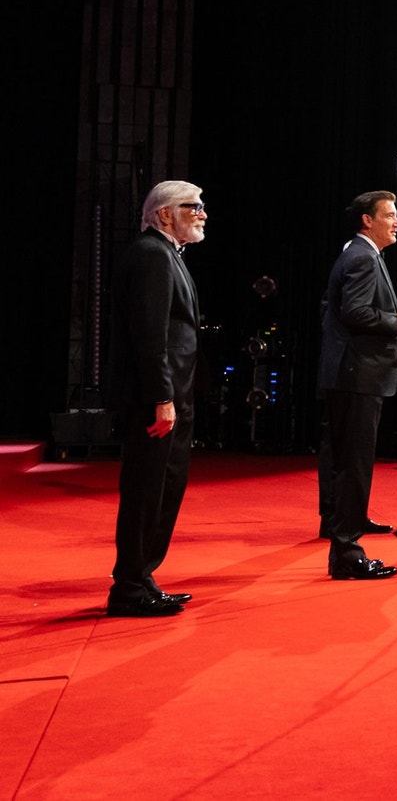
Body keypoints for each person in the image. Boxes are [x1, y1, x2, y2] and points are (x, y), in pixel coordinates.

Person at [105, 181, 209, 616]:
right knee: (149, 490)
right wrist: (162, 398)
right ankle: (130, 586)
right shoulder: (152, 256)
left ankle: (141, 577)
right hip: (158, 400)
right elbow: (150, 337)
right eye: (194, 206)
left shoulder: (165, 254)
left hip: (169, 396)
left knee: (162, 487)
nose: (203, 213)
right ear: (165, 214)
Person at [317, 190, 397, 580]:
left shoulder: (363, 255)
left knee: (351, 463)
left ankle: (345, 545)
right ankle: (347, 552)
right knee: (355, 465)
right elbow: (355, 311)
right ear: (367, 221)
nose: (396, 222)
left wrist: (395, 346)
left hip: (357, 371)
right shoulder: (361, 256)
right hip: (356, 375)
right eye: (390, 215)